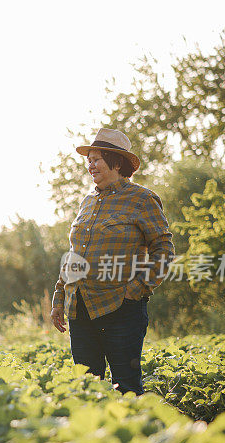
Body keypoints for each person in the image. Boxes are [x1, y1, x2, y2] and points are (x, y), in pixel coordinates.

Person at [50, 128, 174, 395]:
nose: (90, 165)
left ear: (116, 163)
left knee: (127, 389)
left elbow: (163, 249)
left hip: (121, 309)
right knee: (86, 389)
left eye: (96, 159)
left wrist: (137, 290)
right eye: (89, 160)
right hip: (80, 309)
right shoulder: (87, 202)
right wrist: (59, 297)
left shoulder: (142, 199)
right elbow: (74, 254)